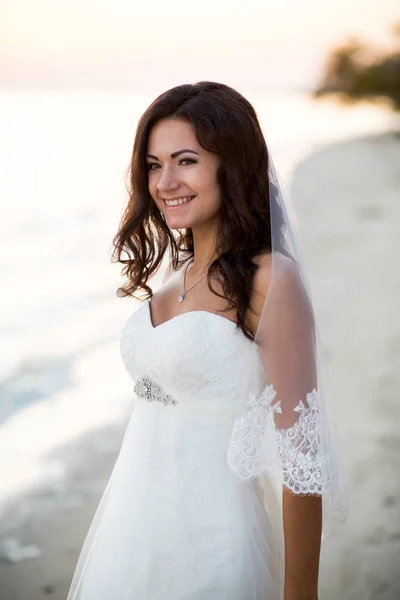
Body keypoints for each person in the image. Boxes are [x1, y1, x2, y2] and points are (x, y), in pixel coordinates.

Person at [65, 81, 348, 600]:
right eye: (153, 165)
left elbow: (303, 459)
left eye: (186, 161)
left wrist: (300, 593)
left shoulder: (270, 279)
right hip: (131, 535)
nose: (165, 181)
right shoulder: (176, 275)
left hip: (215, 542)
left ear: (231, 165)